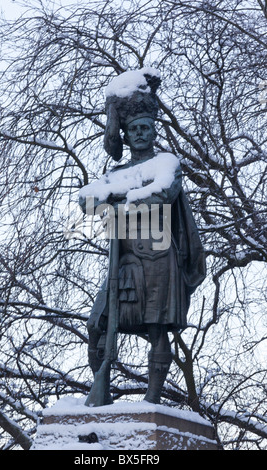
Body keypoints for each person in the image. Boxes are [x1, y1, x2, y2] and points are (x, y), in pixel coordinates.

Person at [79, 69, 206, 404]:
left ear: (153, 131)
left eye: (144, 128)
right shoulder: (116, 173)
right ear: (126, 132)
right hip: (124, 262)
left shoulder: (166, 162)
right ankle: (100, 395)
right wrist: (119, 196)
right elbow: (86, 201)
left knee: (156, 329)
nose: (138, 134)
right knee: (97, 326)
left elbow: (161, 195)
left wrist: (117, 200)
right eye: (132, 129)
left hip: (160, 258)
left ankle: (152, 399)